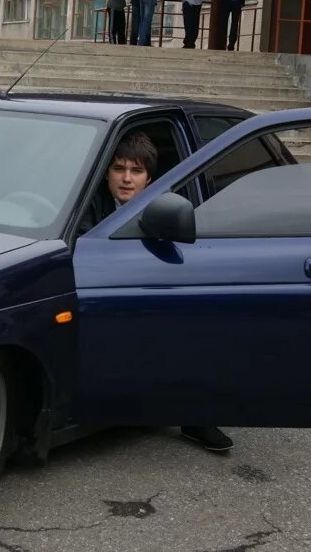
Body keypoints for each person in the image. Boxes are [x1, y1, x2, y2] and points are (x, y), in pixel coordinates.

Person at [84, 132, 235, 453]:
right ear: (106, 173)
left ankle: (194, 417)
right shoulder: (88, 206)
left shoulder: (164, 206)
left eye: (136, 171)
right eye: (119, 169)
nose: (126, 179)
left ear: (149, 178)